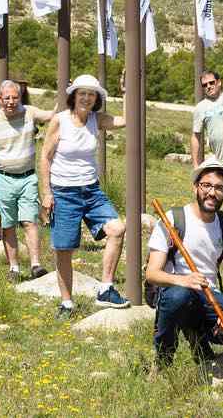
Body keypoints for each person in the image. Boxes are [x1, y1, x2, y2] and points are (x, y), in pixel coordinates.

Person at [146, 159, 223, 366]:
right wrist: (184, 280)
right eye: (206, 186)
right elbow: (152, 274)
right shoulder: (174, 219)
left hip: (209, 294)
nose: (212, 193)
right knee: (179, 296)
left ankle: (199, 337)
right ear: (195, 187)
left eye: (219, 188)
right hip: (175, 291)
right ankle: (163, 358)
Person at [38, 74, 130, 318]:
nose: (87, 98)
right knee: (64, 250)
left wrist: (125, 91)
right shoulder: (60, 121)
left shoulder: (96, 120)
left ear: (96, 99)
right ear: (74, 96)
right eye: (82, 94)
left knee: (117, 229)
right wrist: (46, 193)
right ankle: (67, 303)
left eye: (92, 94)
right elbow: (45, 157)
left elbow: (127, 120)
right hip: (64, 193)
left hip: (91, 191)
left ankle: (106, 288)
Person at [0, 79, 55, 279]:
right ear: (0, 99)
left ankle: (36, 265)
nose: (11, 102)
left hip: (28, 177)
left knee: (30, 221)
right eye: (7, 98)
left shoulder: (29, 112)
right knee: (9, 224)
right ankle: (14, 267)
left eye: (15, 97)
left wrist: (65, 92)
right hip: (3, 178)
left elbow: (51, 115)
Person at [190, 70, 223, 199]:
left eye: (212, 82)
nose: (209, 86)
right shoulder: (200, 108)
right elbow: (196, 136)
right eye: (205, 85)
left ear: (219, 82)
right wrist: (196, 165)